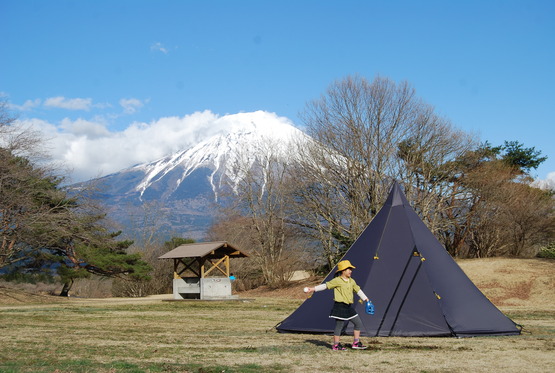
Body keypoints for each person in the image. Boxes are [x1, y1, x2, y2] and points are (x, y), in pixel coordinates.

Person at [304, 260, 369, 351]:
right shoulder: (337, 280)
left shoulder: (352, 281)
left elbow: (358, 290)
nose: (350, 271)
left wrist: (366, 299)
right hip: (340, 306)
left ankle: (356, 343)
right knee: (339, 326)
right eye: (348, 269)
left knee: (358, 323)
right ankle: (336, 345)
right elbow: (326, 286)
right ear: (343, 270)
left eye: (351, 269)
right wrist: (313, 289)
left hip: (348, 307)